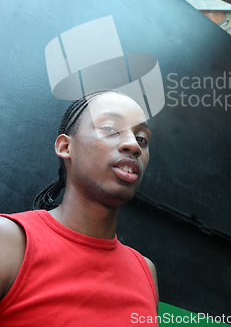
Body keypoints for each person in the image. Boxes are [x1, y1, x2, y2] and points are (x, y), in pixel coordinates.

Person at [0, 90, 159, 326]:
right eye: (110, 129)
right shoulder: (9, 242)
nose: (133, 145)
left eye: (142, 139)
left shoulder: (146, 272)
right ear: (65, 147)